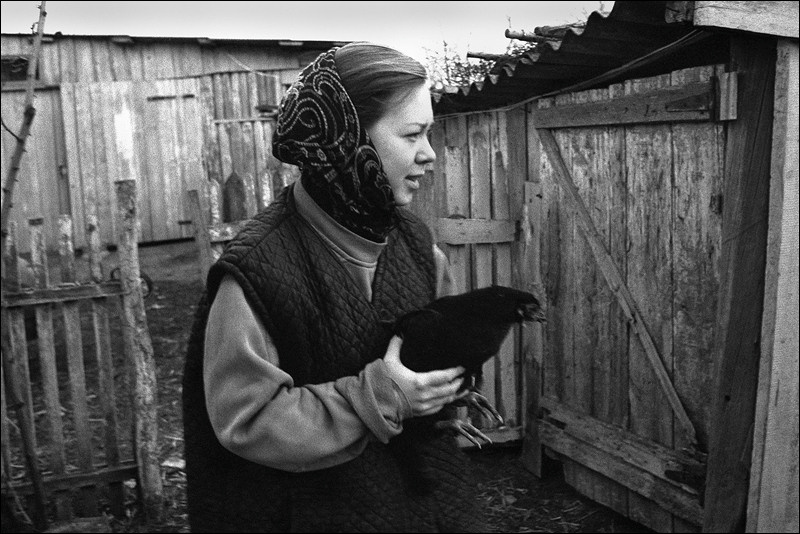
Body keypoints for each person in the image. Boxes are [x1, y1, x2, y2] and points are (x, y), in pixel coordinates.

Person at [182, 42, 489, 533]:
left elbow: (438, 355)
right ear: (346, 142)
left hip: (425, 504)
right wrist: (380, 398)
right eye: (412, 134)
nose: (429, 154)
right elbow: (248, 419)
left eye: (429, 133)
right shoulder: (259, 270)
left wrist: (448, 389)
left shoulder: (415, 243)